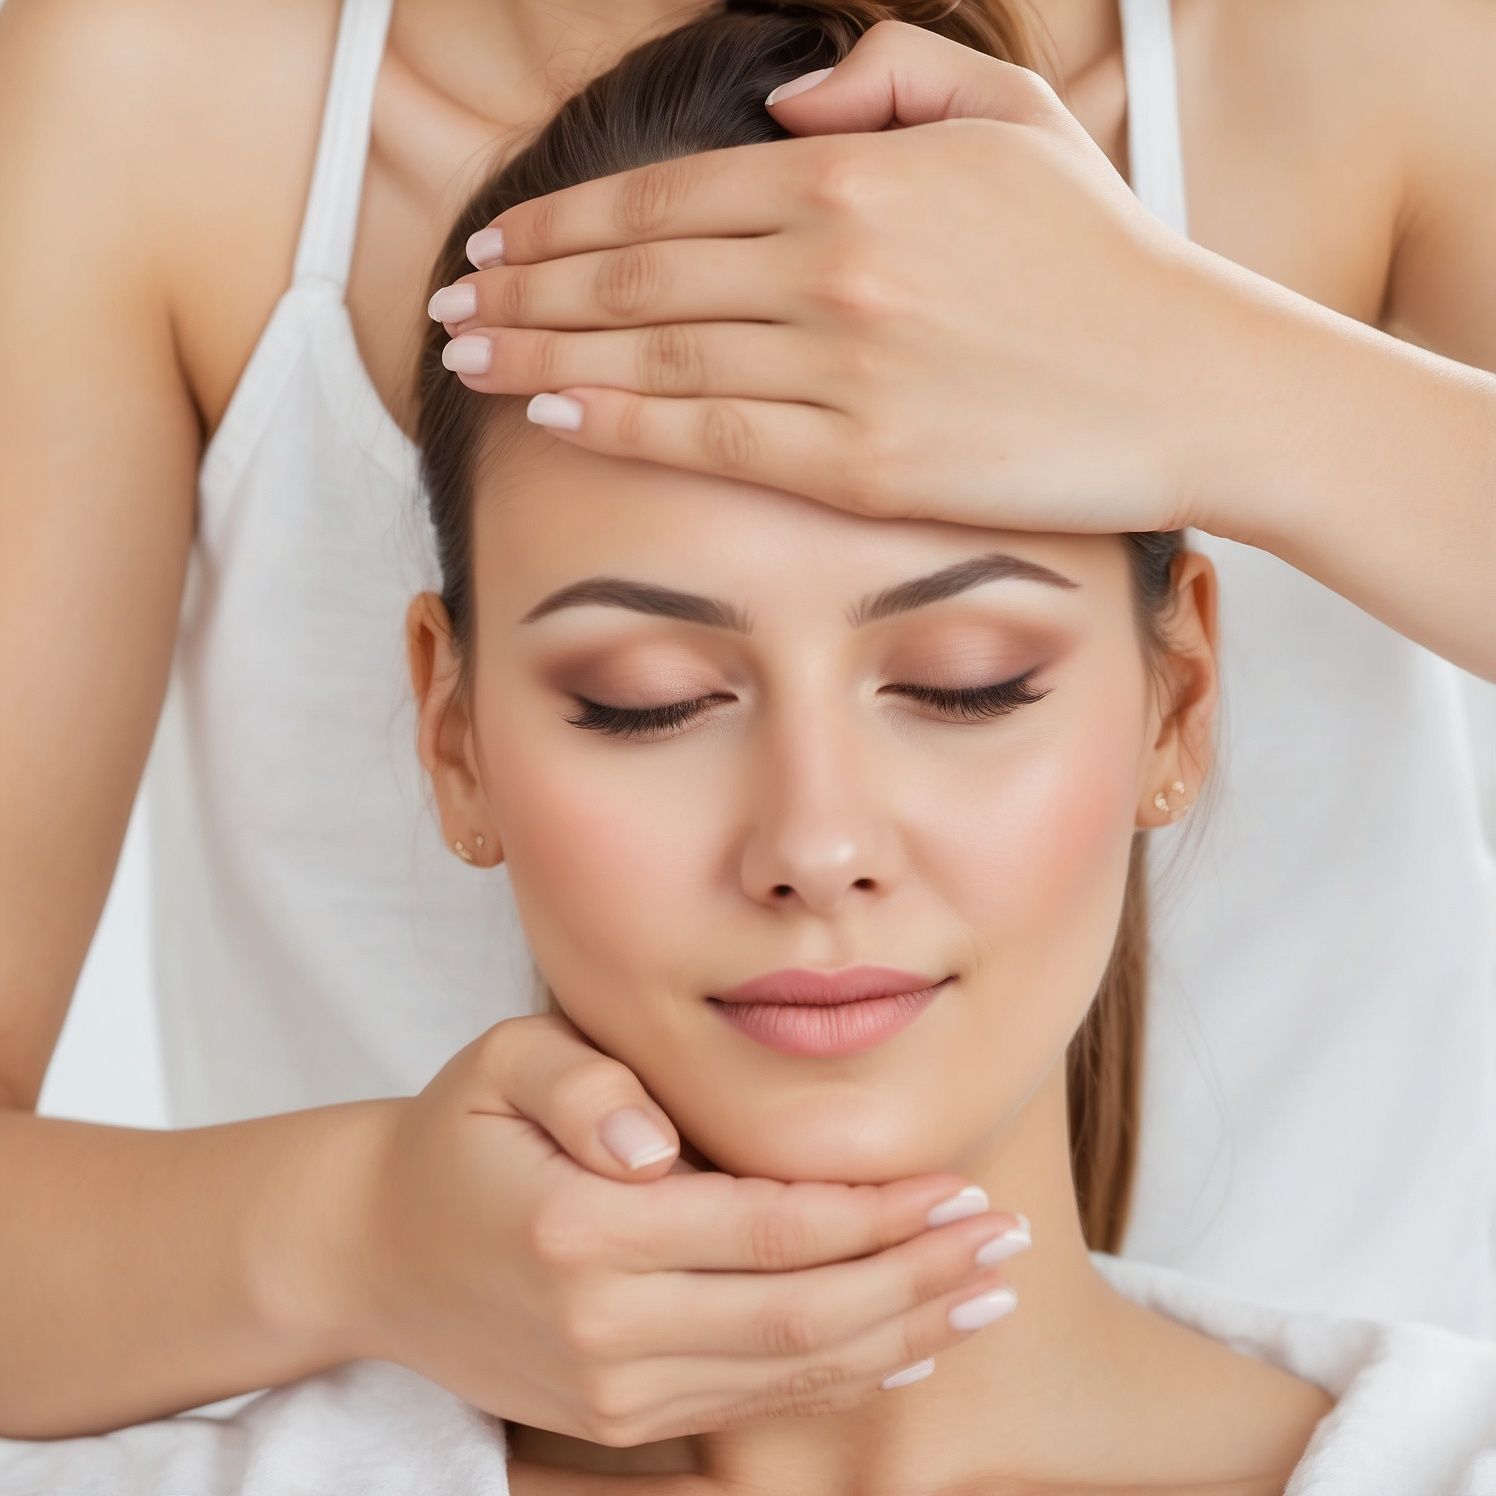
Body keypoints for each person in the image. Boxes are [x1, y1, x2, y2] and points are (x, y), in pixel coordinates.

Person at [5, 14, 1496, 1486]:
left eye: (969, 683)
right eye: (644, 697)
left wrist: (1212, 368)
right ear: (452, 734)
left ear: (1177, 699)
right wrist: (352, 1231)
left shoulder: (1361, 55)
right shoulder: (158, 96)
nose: (819, 843)